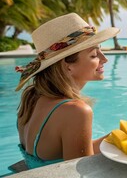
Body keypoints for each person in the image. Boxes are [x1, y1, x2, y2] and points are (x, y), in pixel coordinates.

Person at [13, 13, 120, 170]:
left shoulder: (32, 96)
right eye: (94, 55)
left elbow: (65, 152)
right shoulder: (76, 111)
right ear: (68, 66)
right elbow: (83, 170)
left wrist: (116, 137)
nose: (104, 59)